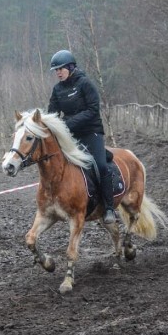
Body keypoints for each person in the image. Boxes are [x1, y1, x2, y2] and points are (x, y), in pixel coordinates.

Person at [47, 49, 117, 224]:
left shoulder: (85, 84)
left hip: (91, 132)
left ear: (70, 67)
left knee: (101, 166)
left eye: (60, 69)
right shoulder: (57, 90)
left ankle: (109, 208)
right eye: (55, 70)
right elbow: (52, 114)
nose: (58, 73)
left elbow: (93, 111)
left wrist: (67, 124)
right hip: (71, 136)